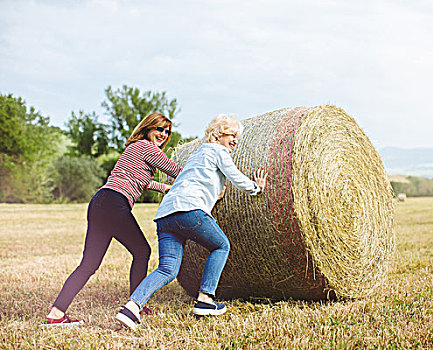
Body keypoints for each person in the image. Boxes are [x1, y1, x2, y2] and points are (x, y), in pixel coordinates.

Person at [116, 114, 267, 330]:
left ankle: (131, 307)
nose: (235, 140)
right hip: (189, 211)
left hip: (166, 215)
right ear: (218, 134)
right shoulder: (218, 151)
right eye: (231, 135)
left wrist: (214, 197)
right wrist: (256, 187)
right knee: (221, 245)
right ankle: (205, 299)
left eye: (237, 136)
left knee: (167, 269)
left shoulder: (196, 156)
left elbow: (195, 183)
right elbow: (234, 176)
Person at [44, 113, 183, 326]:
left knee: (89, 264)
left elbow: (139, 181)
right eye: (159, 129)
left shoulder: (133, 148)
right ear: (148, 128)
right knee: (142, 251)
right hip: (114, 203)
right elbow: (176, 171)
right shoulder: (148, 147)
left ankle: (56, 314)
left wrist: (163, 188)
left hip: (100, 201)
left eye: (167, 131)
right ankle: (136, 304)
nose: (163, 134)